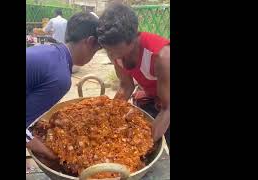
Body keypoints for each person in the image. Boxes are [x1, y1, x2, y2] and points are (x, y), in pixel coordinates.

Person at [26, 12, 101, 159]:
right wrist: (56, 156)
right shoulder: (61, 78)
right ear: (90, 42)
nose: (93, 57)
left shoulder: (49, 50)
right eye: (96, 50)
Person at [97, 3, 170, 149]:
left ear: (132, 39)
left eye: (115, 51)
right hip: (155, 96)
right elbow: (126, 86)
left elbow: (167, 108)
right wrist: (107, 118)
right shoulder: (116, 52)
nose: (112, 57)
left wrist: (143, 146)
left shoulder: (162, 57)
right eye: (108, 51)